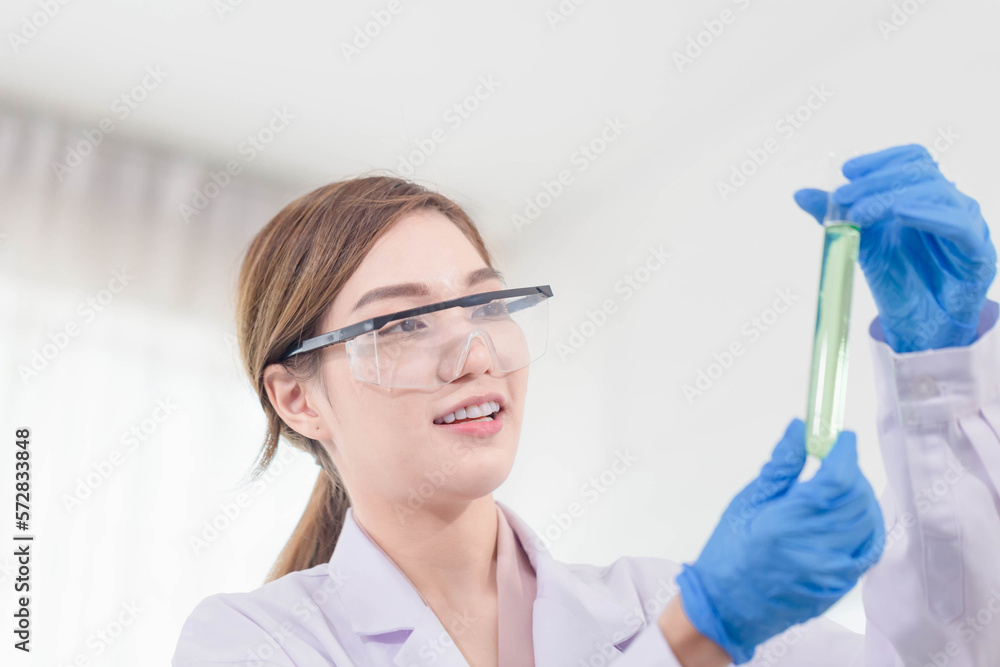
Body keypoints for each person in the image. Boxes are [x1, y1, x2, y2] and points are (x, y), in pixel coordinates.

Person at [172, 143, 1000, 666]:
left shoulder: (653, 599)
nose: (476, 353)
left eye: (486, 303)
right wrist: (697, 638)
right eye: (405, 322)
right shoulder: (256, 642)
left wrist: (939, 381)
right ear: (296, 397)